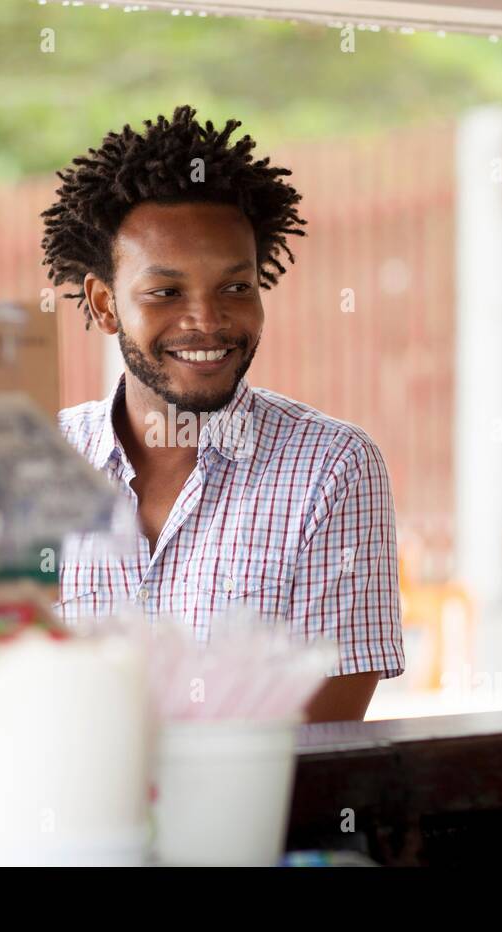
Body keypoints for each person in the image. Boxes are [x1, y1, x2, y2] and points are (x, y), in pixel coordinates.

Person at [40, 105, 404, 722]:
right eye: (165, 292)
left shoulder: (332, 469)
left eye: (236, 288)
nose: (207, 322)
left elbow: (320, 746)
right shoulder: (40, 463)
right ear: (104, 305)